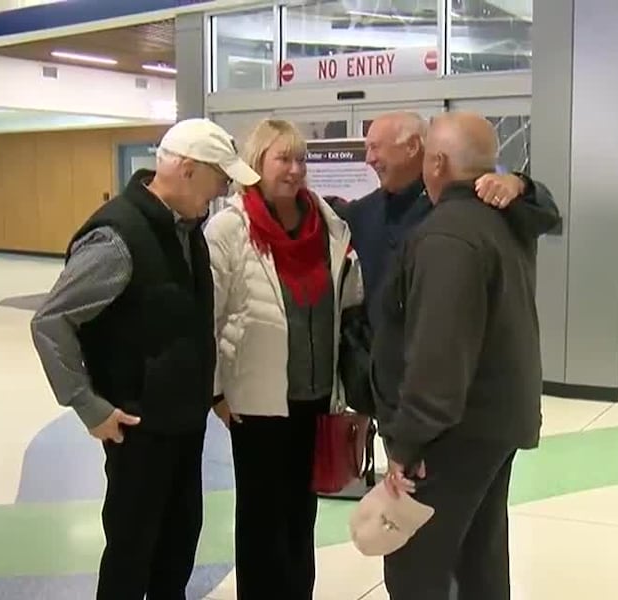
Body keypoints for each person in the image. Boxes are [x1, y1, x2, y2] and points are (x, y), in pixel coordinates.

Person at [29, 118, 259, 599]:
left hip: (182, 425)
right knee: (133, 555)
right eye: (219, 179)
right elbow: (52, 322)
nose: (220, 192)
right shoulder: (117, 238)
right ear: (189, 169)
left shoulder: (186, 230)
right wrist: (89, 406)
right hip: (137, 427)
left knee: (175, 551)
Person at [371, 111, 551, 600]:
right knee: (478, 559)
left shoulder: (446, 236)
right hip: (493, 425)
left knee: (417, 569)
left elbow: (438, 356)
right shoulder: (504, 219)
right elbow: (545, 209)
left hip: (451, 436)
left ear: (437, 163)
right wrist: (520, 184)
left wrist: (407, 445)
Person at [202, 118, 363, 600]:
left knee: (300, 516)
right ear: (256, 165)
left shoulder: (327, 223)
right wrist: (216, 393)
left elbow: (348, 297)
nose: (295, 170)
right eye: (283, 159)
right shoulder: (230, 227)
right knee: (261, 520)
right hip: (257, 404)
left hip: (314, 399)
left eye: (301, 160)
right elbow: (205, 316)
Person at [332, 111, 559, 333]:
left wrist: (519, 183)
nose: (368, 159)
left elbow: (544, 213)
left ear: (412, 147)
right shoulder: (367, 211)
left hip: (450, 352)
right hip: (386, 363)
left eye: (375, 147)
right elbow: (324, 212)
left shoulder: (470, 202)